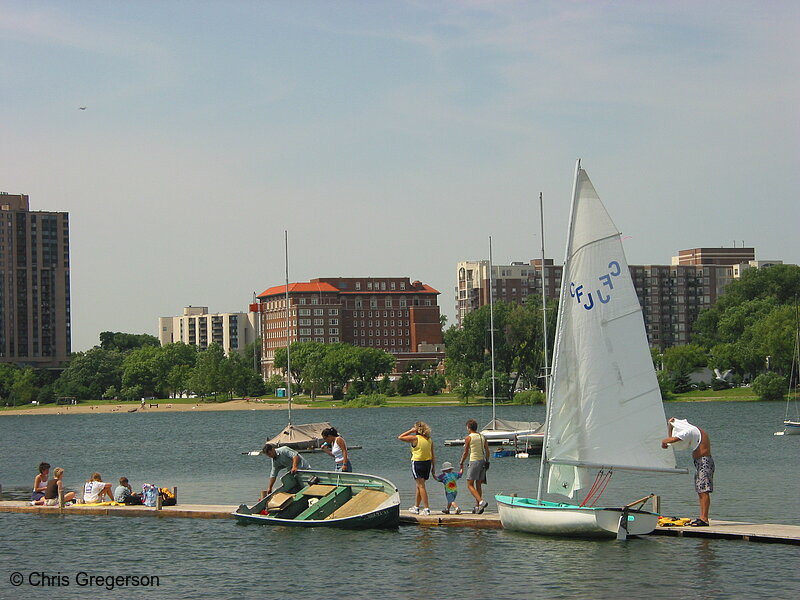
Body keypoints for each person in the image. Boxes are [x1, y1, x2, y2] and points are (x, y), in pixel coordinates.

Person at [661, 417, 714, 526]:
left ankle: (704, 519)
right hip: (701, 462)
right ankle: (702, 517)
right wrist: (670, 426)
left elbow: (672, 439)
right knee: (700, 490)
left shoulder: (689, 431)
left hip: (704, 462)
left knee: (703, 490)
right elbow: (672, 437)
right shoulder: (694, 430)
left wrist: (663, 442)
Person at [398, 421, 435, 516]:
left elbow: (400, 437)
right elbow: (433, 454)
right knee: (419, 486)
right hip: (427, 463)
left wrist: (410, 430)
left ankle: (426, 509)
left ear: (417, 430)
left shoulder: (415, 438)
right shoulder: (429, 439)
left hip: (418, 463)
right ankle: (416, 507)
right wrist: (433, 466)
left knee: (421, 486)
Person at [459, 418, 490, 514]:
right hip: (482, 462)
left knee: (469, 484)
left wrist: (461, 462)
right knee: (478, 484)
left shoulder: (468, 438)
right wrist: (487, 461)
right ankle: (477, 507)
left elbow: (466, 452)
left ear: (468, 428)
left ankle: (481, 502)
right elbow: (487, 451)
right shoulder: (482, 436)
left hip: (474, 461)